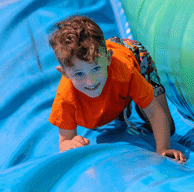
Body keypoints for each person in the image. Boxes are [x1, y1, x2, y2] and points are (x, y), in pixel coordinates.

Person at [48, 15, 186, 163]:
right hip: (110, 68)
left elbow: (155, 113)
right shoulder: (65, 97)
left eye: (95, 69)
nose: (90, 81)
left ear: (108, 59)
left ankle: (137, 96)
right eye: (79, 73)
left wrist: (163, 149)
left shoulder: (126, 72)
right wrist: (71, 145)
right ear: (64, 73)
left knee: (167, 129)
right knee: (111, 94)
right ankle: (125, 102)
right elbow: (64, 141)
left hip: (134, 55)